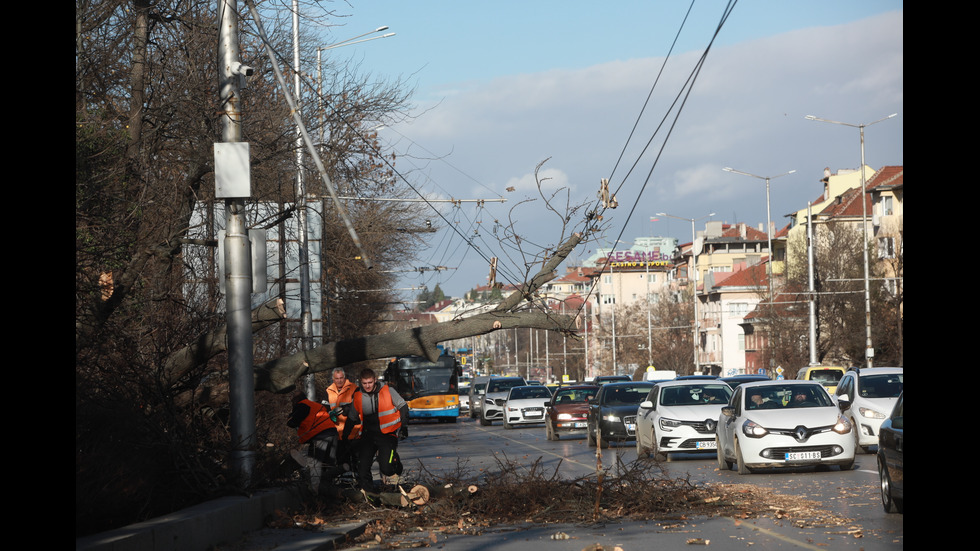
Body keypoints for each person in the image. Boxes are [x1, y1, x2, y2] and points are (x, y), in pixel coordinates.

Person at [348, 368, 409, 492]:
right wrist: (345, 436)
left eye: (370, 382)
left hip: (387, 435)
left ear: (375, 380)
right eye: (364, 383)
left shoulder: (388, 391)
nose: (367, 386)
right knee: (362, 467)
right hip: (368, 436)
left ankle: (396, 463)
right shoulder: (358, 396)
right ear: (361, 382)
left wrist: (404, 426)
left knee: (386, 468)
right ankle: (370, 494)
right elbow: (351, 418)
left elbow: (403, 407)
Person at [286, 392, 340, 495]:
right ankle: (330, 488)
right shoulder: (315, 405)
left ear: (296, 401)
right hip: (332, 433)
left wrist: (290, 417)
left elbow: (292, 422)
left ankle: (315, 489)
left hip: (320, 435)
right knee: (329, 463)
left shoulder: (302, 405)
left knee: (316, 463)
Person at [325, 368, 360, 471]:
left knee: (357, 460)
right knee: (342, 461)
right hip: (338, 433)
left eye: (341, 378)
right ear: (333, 379)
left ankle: (360, 481)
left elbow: (357, 406)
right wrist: (329, 413)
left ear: (345, 377)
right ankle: (346, 483)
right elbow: (324, 407)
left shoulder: (354, 388)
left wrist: (344, 409)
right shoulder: (328, 391)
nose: (339, 380)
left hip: (354, 431)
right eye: (337, 378)